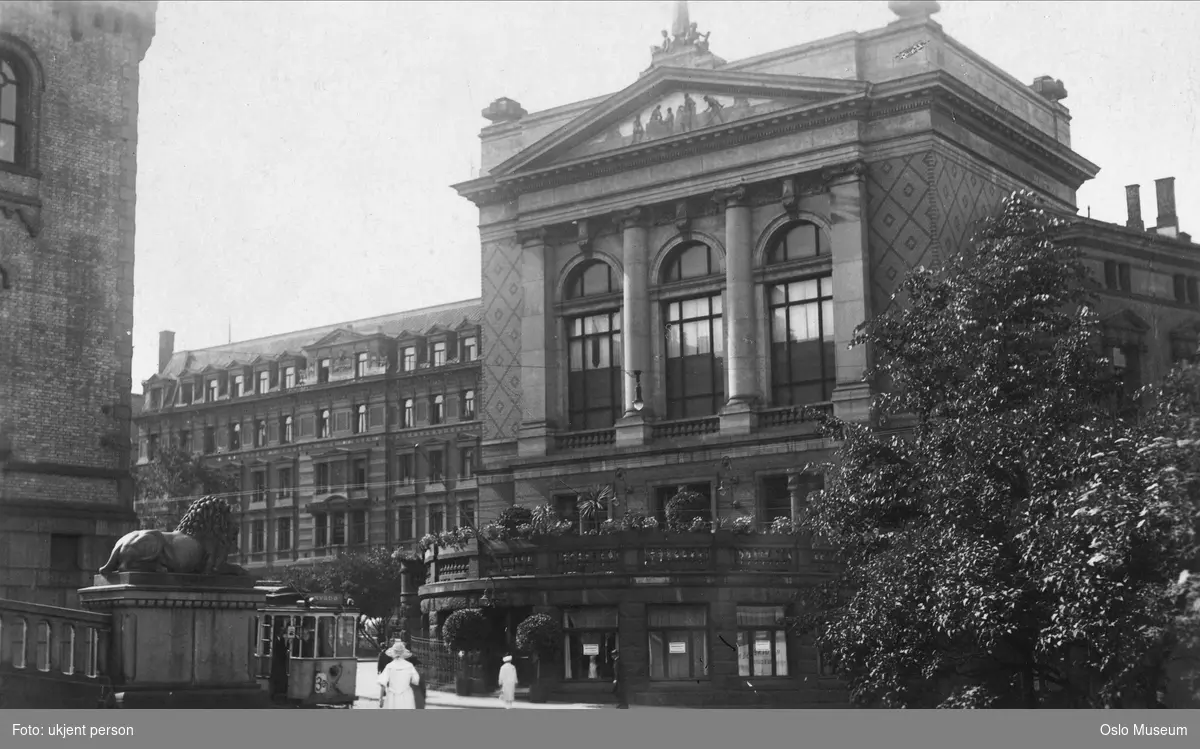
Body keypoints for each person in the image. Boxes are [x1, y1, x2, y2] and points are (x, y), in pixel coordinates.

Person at [376, 639, 421, 710]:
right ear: (404, 653)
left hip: (392, 696)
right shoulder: (409, 666)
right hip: (406, 695)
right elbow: (416, 680)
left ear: (393, 653)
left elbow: (383, 683)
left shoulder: (389, 666)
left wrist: (380, 699)